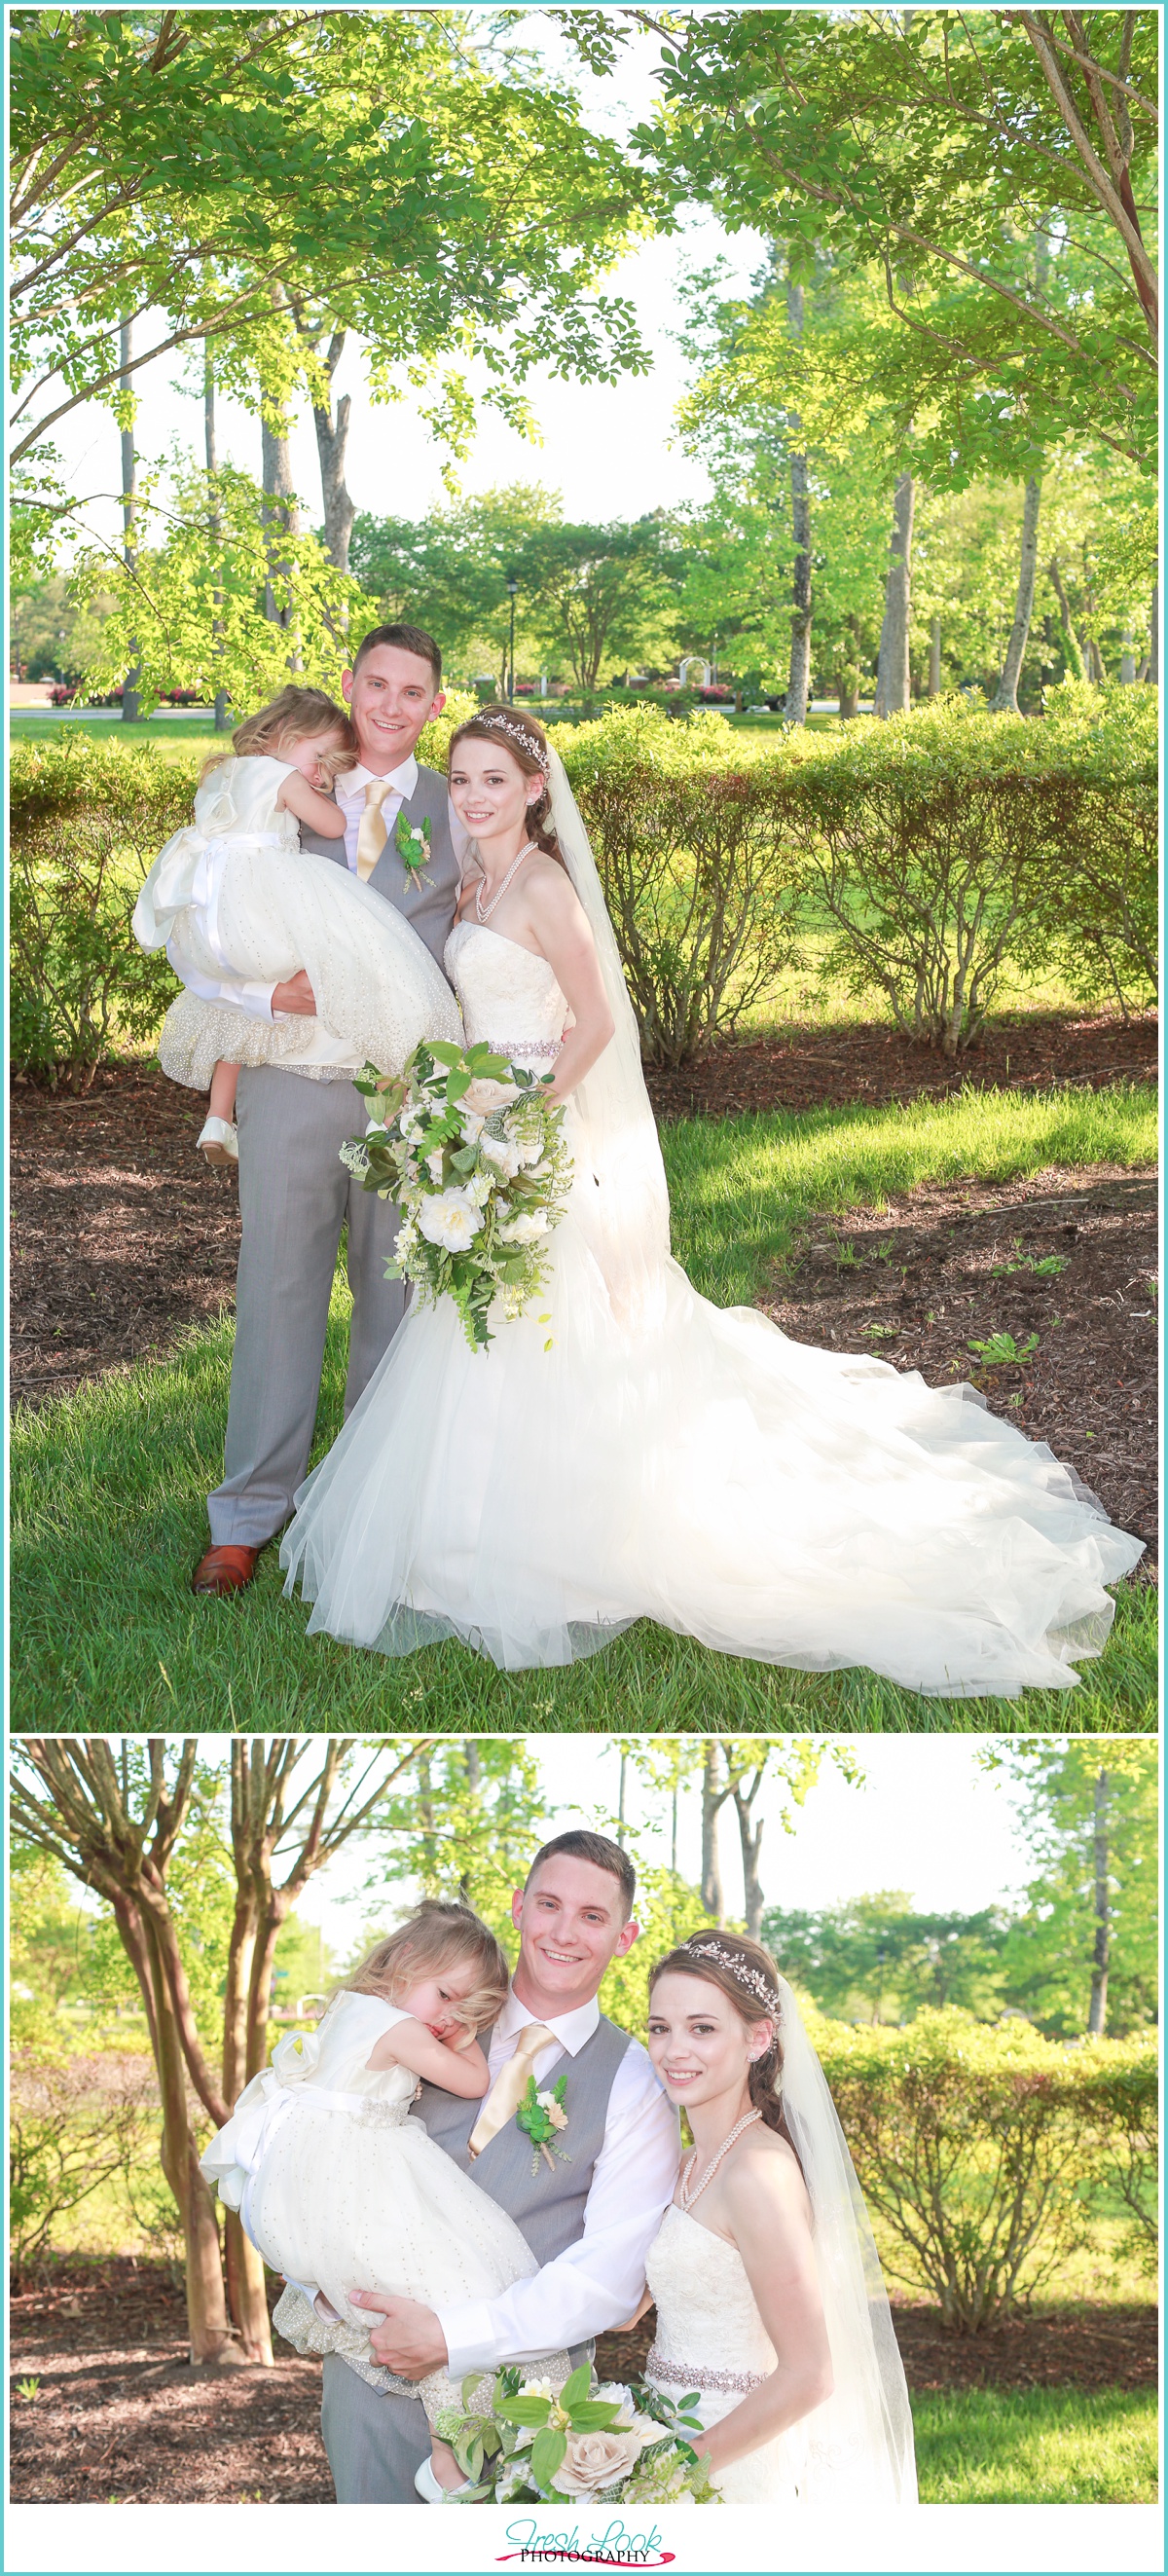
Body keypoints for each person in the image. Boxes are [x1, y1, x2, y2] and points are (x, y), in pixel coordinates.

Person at [280, 703, 1143, 1696]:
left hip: (530, 1128)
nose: (472, 798)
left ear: (532, 790)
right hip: (475, 1122)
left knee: (545, 1319)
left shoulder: (545, 887)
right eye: (460, 779)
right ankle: (467, 1532)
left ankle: (565, 1541)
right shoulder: (476, 879)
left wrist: (525, 1115)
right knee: (484, 1321)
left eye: (492, 781)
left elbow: (597, 1020)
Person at [182, 624, 467, 1600]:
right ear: (350, 688)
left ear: (436, 703)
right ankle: (248, 1514)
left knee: (396, 1300)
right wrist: (265, 1003)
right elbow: (205, 921)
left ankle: (371, 1510)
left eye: (412, 690)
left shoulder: (453, 803)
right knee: (278, 1292)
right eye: (376, 684)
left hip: (402, 1092)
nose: (390, 704)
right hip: (289, 1081)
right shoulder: (275, 784)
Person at [296, 1832, 678, 2505]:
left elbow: (611, 2276)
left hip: (525, 2408)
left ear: (624, 1937)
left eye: (592, 1917)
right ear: (517, 1908)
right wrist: (315, 2275)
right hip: (368, 2375)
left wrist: (451, 2338)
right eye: (549, 1905)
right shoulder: (422, 2019)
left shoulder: (634, 2083)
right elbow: (319, 2146)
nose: (564, 1932)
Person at [199, 1901, 569, 2501]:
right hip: (359, 2175)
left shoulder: (348, 2008)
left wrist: (448, 2014)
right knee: (452, 2286)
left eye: (466, 2010)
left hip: (308, 2183)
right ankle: (449, 2454)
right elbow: (474, 2082)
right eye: (446, 1996)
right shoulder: (399, 2030)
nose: (448, 2017)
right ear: (404, 1959)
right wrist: (471, 2036)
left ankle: (447, 2447)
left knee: (426, 2296)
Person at [635, 1932, 916, 2505]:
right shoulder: (691, 2162)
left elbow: (810, 2375)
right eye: (660, 2027)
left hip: (726, 2469)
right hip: (659, 2428)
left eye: (702, 2028)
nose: (673, 2050)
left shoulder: (757, 2174)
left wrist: (670, 2475)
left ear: (757, 2037)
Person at [133, 685, 459, 1168]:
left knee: (234, 1027)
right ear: (283, 734)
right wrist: (324, 798)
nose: (322, 775)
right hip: (272, 939)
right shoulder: (285, 781)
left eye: (331, 768)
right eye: (320, 759)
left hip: (217, 913)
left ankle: (218, 1117)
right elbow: (329, 824)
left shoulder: (218, 776)